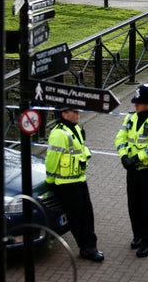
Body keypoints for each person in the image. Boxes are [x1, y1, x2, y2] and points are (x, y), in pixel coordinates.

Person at [45, 106, 104, 262]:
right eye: (75, 112)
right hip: (66, 183)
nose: (78, 114)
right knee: (77, 217)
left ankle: (91, 246)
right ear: (64, 114)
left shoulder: (75, 128)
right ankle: (86, 248)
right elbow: (51, 159)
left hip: (78, 179)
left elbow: (79, 149)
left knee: (87, 214)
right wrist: (50, 180)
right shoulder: (58, 133)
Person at [114, 83, 148, 258]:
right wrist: (123, 156)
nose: (135, 105)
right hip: (132, 170)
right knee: (133, 204)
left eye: (139, 102)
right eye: (135, 102)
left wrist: (136, 158)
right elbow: (120, 138)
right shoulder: (130, 118)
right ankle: (137, 235)